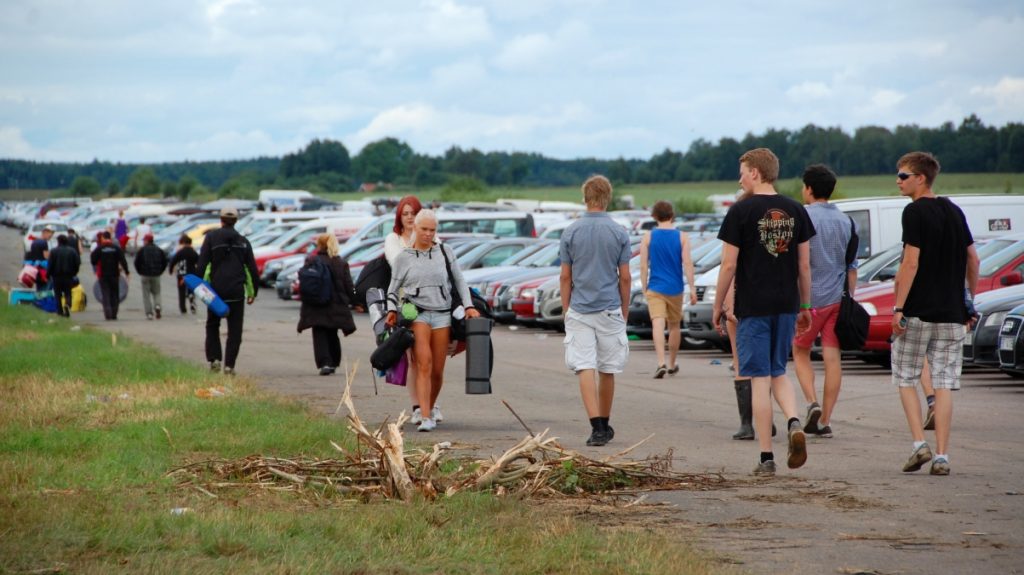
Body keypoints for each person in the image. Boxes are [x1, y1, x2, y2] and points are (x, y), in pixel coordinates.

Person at [712, 148, 815, 476]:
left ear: (755, 172)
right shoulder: (796, 209)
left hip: (753, 306)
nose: (740, 178)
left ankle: (766, 457)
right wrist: (805, 305)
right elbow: (803, 265)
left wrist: (718, 305)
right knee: (778, 371)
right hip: (786, 303)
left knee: (758, 379)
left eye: (742, 171)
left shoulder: (740, 211)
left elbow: (728, 264)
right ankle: (794, 421)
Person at [890, 152, 979, 476]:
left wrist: (898, 307)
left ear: (920, 179)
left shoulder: (914, 212)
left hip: (917, 312)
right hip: (952, 315)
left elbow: (910, 262)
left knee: (905, 377)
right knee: (943, 384)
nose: (898, 181)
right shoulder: (954, 211)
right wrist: (970, 301)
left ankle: (919, 444)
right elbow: (974, 260)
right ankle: (942, 455)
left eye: (903, 176)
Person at [385, 209, 480, 432]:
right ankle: (425, 415)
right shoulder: (404, 258)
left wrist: (469, 306)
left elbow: (460, 281)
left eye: (432, 230)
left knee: (437, 370)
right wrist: (391, 310)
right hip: (416, 314)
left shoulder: (445, 252)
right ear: (415, 228)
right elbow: (393, 288)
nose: (428, 234)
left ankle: (431, 407)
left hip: (442, 315)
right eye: (424, 229)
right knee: (423, 364)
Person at [559, 175, 632, 447]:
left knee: (584, 365)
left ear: (585, 198)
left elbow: (565, 277)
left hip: (579, 307)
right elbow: (624, 277)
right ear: (607, 198)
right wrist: (624, 307)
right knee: (608, 368)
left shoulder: (571, 232)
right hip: (609, 307)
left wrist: (567, 309)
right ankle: (605, 420)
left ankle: (596, 427)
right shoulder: (619, 232)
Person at [791, 164, 859, 439]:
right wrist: (849, 300)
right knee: (833, 359)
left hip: (809, 300)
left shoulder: (801, 217)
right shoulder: (847, 221)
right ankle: (826, 420)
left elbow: (798, 262)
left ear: (808, 189)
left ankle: (811, 402)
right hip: (836, 299)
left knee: (800, 352)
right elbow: (852, 265)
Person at [196, 206, 259, 375]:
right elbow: (253, 269)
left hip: (216, 292)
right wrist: (254, 292)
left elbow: (202, 264)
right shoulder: (244, 242)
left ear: (221, 220)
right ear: (236, 221)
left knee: (212, 325)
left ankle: (215, 359)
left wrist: (197, 288)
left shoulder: (211, 238)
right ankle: (230, 366)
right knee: (235, 330)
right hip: (237, 291)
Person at [639, 200, 697, 378]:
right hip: (675, 288)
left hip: (655, 287)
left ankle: (660, 362)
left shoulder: (648, 237)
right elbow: (687, 264)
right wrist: (692, 288)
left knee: (657, 323)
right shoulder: (682, 237)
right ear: (672, 215)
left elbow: (643, 266)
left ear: (654, 216)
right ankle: (672, 363)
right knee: (674, 326)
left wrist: (643, 286)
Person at [384, 195, 424, 421]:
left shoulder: (429, 235)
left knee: (429, 358)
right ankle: (418, 406)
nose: (410, 218)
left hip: (431, 303)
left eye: (414, 213)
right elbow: (399, 264)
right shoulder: (393, 238)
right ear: (399, 216)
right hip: (405, 304)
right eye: (405, 214)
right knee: (413, 357)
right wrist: (415, 243)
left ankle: (430, 403)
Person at [297, 233, 360, 375]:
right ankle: (333, 363)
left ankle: (324, 363)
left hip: (315, 304)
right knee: (332, 333)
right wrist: (357, 302)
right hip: (335, 306)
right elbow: (349, 286)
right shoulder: (340, 263)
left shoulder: (312, 261)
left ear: (319, 245)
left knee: (319, 334)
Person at [90, 231, 130, 320]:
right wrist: (127, 272)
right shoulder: (116, 248)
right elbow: (123, 260)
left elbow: (93, 260)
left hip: (103, 275)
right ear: (110, 238)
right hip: (115, 274)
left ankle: (108, 314)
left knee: (106, 294)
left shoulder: (100, 249)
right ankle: (114, 314)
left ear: (103, 238)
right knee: (115, 294)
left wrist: (97, 265)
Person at [134, 233, 168, 320]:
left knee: (146, 295)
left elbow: (136, 262)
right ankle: (157, 305)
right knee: (157, 292)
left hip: (145, 274)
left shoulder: (142, 250)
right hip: (156, 274)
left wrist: (140, 271)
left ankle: (149, 313)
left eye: (144, 240)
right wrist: (160, 271)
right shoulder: (159, 250)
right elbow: (165, 262)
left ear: (147, 241)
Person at [47, 234, 81, 317]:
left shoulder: (54, 251)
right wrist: (74, 272)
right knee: (68, 292)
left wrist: (48, 274)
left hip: (56, 276)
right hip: (68, 276)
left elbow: (50, 264)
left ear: (58, 242)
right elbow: (77, 263)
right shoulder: (72, 251)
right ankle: (67, 304)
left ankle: (60, 311)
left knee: (57, 294)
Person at [168, 234, 199, 315]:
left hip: (181, 274)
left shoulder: (180, 252)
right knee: (191, 289)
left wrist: (170, 270)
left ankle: (183, 308)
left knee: (181, 291)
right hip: (191, 274)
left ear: (184, 243)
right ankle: (191, 298)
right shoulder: (193, 252)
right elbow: (199, 262)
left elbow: (173, 261)